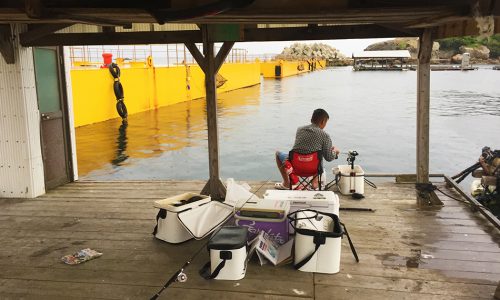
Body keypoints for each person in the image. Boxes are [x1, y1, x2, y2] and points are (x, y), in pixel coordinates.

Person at [275, 108, 340, 189]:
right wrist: (335, 151)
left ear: (311, 119)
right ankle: (314, 182)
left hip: (295, 167)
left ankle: (287, 183)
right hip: (313, 168)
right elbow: (329, 157)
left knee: (278, 154)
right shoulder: (325, 135)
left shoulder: (299, 129)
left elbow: (300, 148)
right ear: (323, 122)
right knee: (318, 155)